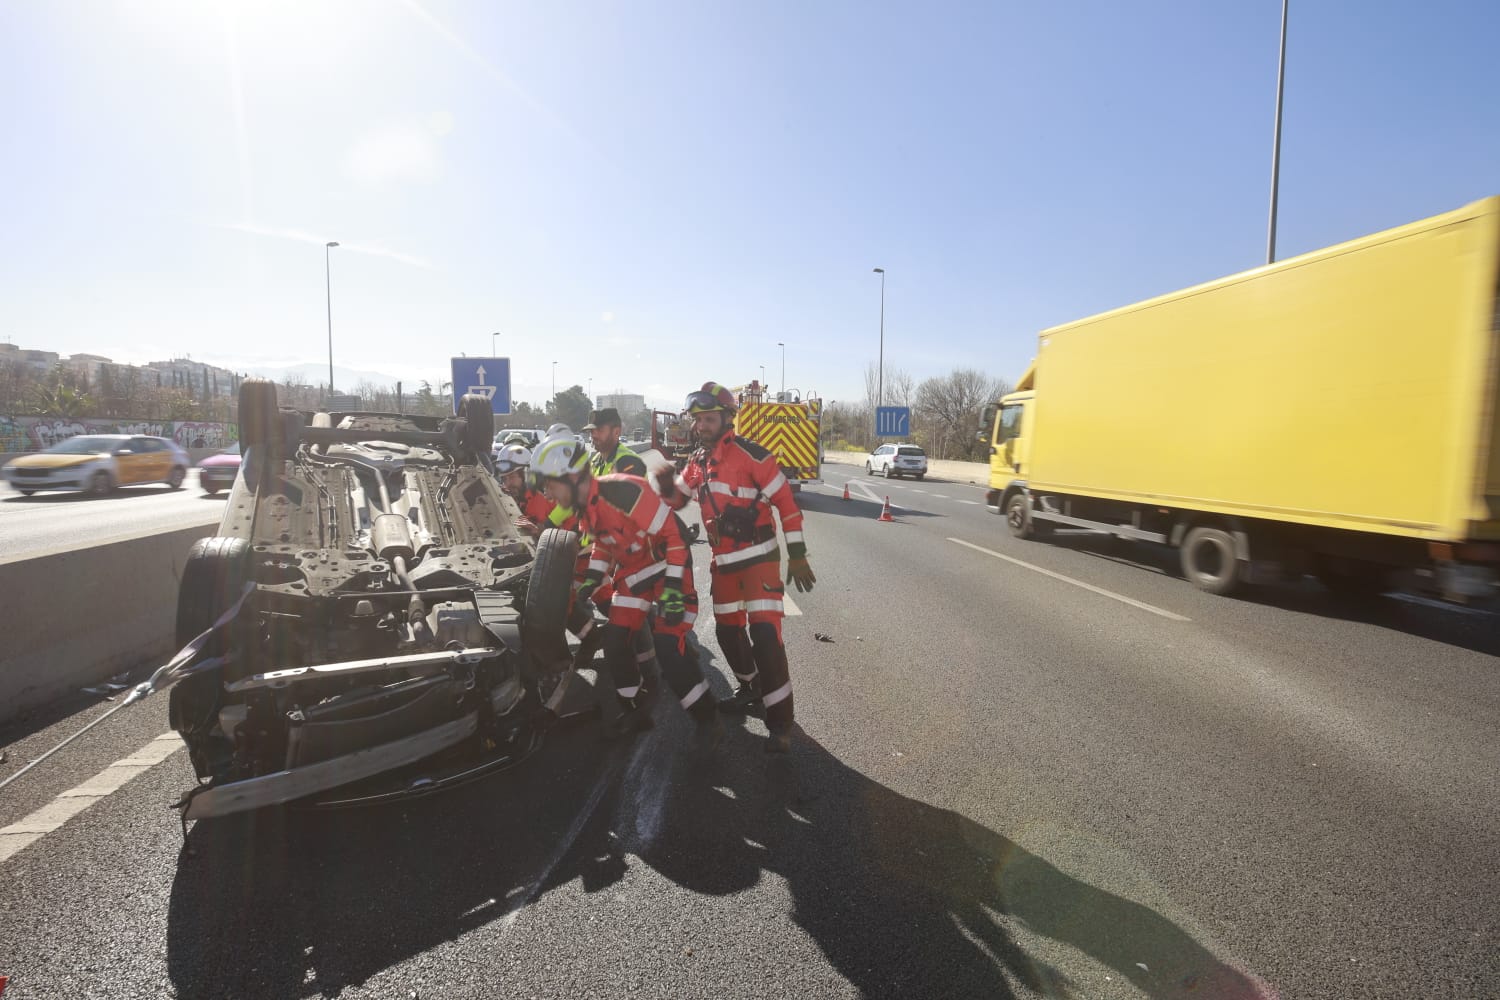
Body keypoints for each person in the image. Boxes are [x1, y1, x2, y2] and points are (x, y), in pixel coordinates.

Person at [532, 431, 724, 747]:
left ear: (570, 477)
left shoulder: (621, 490)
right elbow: (604, 548)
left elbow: (675, 537)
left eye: (549, 485)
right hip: (634, 577)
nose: (547, 494)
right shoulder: (586, 510)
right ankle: (636, 710)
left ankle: (708, 719)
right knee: (616, 642)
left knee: (668, 647)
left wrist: (674, 589)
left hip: (668, 573)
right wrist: (593, 579)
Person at [655, 382, 815, 754]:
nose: (701, 426)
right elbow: (677, 499)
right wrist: (662, 484)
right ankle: (751, 688)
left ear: (727, 419)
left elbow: (787, 506)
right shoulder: (697, 461)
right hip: (722, 564)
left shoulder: (753, 456)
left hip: (759, 561)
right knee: (728, 634)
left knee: (765, 639)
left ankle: (780, 726)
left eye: (708, 419)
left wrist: (799, 553)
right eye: (698, 421)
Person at [583, 408, 648, 478]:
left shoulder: (630, 462)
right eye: (591, 431)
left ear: (616, 432)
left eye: (599, 430)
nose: (593, 435)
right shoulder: (596, 460)